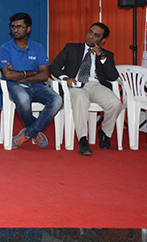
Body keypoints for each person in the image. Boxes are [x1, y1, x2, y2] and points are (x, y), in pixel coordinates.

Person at [49, 22, 122, 156]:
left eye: (96, 35)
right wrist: (66, 78)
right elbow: (54, 67)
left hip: (95, 85)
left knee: (115, 103)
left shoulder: (107, 55)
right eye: (90, 32)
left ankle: (105, 133)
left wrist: (102, 57)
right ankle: (83, 139)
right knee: (80, 98)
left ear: (102, 40)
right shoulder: (71, 48)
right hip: (76, 85)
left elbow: (112, 76)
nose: (91, 36)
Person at [0, 12, 63, 150]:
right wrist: (30, 73)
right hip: (15, 86)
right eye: (13, 27)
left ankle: (28, 133)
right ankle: (34, 131)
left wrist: (18, 74)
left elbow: (44, 75)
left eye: (20, 26)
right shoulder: (5, 48)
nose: (16, 30)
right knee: (23, 100)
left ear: (28, 29)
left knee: (57, 100)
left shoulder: (38, 47)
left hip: (38, 87)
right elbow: (8, 75)